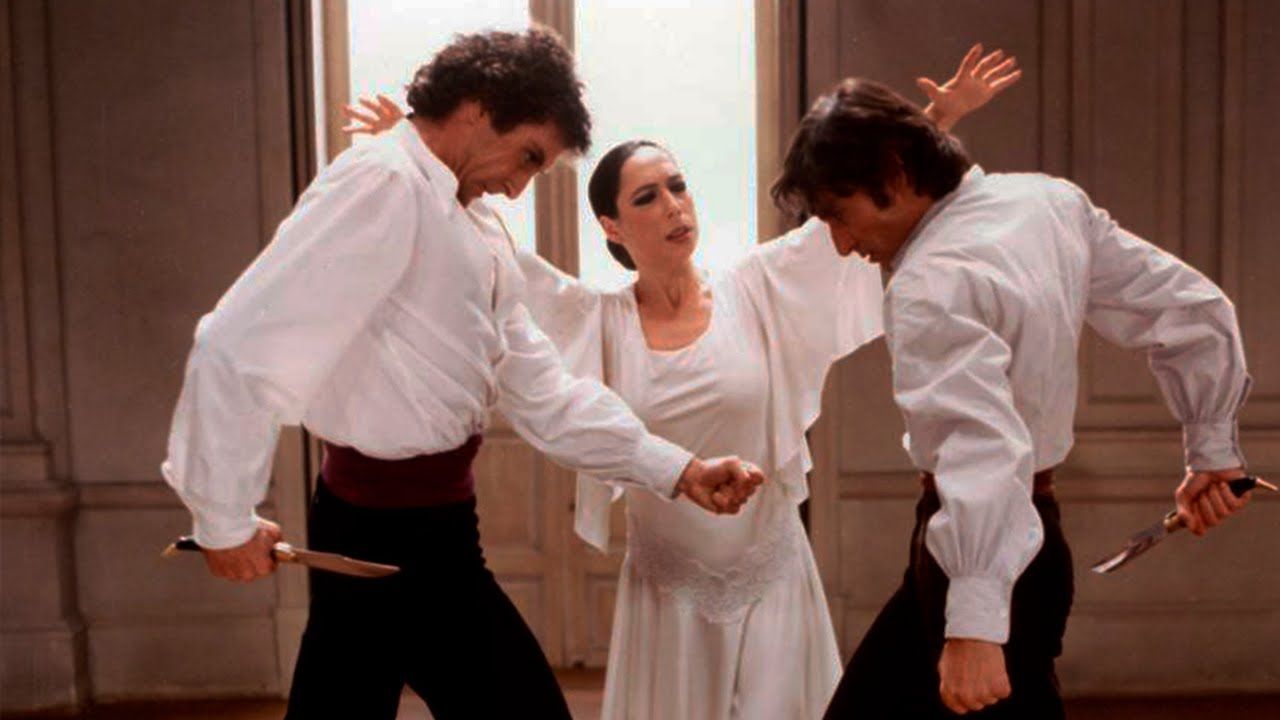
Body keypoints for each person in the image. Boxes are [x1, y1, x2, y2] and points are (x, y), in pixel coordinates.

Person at [347, 45, 1021, 720]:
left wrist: (939, 117)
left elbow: (861, 206)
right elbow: (485, 257)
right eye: (647, 196)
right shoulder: (595, 319)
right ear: (612, 226)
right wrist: (425, 165)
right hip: (667, 592)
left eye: (678, 185)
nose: (674, 206)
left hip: (773, 579)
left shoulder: (758, 288)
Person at [160, 28, 764, 720]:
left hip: (440, 530)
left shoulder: (476, 227)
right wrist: (222, 518)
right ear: (479, 108)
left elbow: (542, 387)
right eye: (527, 157)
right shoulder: (382, 183)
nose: (516, 187)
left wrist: (677, 469)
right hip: (369, 536)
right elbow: (237, 347)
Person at [770, 78, 1255, 718]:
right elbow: (1191, 310)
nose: (839, 241)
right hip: (1014, 543)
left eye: (838, 212)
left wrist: (974, 623)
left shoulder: (929, 283)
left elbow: (981, 449)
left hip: (985, 555)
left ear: (895, 171)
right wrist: (1213, 448)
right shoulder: (1049, 202)